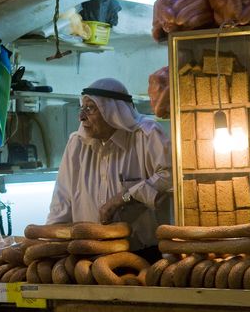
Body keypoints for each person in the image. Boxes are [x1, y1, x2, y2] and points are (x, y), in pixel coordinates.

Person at [46, 78, 173, 261]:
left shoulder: (146, 135)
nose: (82, 117)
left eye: (90, 108)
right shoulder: (77, 144)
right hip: (86, 254)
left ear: (113, 111)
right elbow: (62, 202)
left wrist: (125, 196)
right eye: (81, 108)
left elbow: (171, 178)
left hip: (143, 255)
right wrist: (50, 250)